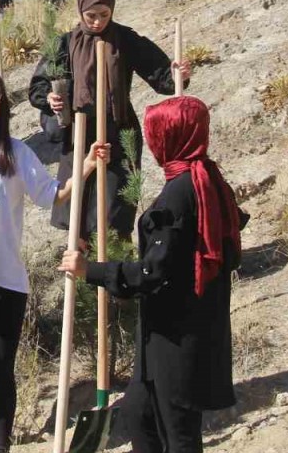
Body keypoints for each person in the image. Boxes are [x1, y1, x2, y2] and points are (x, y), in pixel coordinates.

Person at [59, 96, 246, 453]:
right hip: (179, 334)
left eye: (155, 133)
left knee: (178, 435)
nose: (151, 141)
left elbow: (152, 272)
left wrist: (91, 270)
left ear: (171, 136)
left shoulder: (183, 193)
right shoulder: (208, 181)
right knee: (139, 416)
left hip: (176, 340)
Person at [0, 67, 108, 453]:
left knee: (1, 368)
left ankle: (0, 445)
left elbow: (52, 194)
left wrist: (88, 165)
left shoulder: (16, 151)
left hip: (5, 274)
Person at [29, 0, 191, 244]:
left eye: (104, 15)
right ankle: (82, 279)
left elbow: (161, 76)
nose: (97, 22)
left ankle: (116, 277)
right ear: (80, 11)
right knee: (77, 213)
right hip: (78, 137)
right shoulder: (64, 44)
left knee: (115, 215)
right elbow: (39, 86)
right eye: (90, 16)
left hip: (118, 133)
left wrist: (177, 75)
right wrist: (50, 98)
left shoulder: (126, 39)